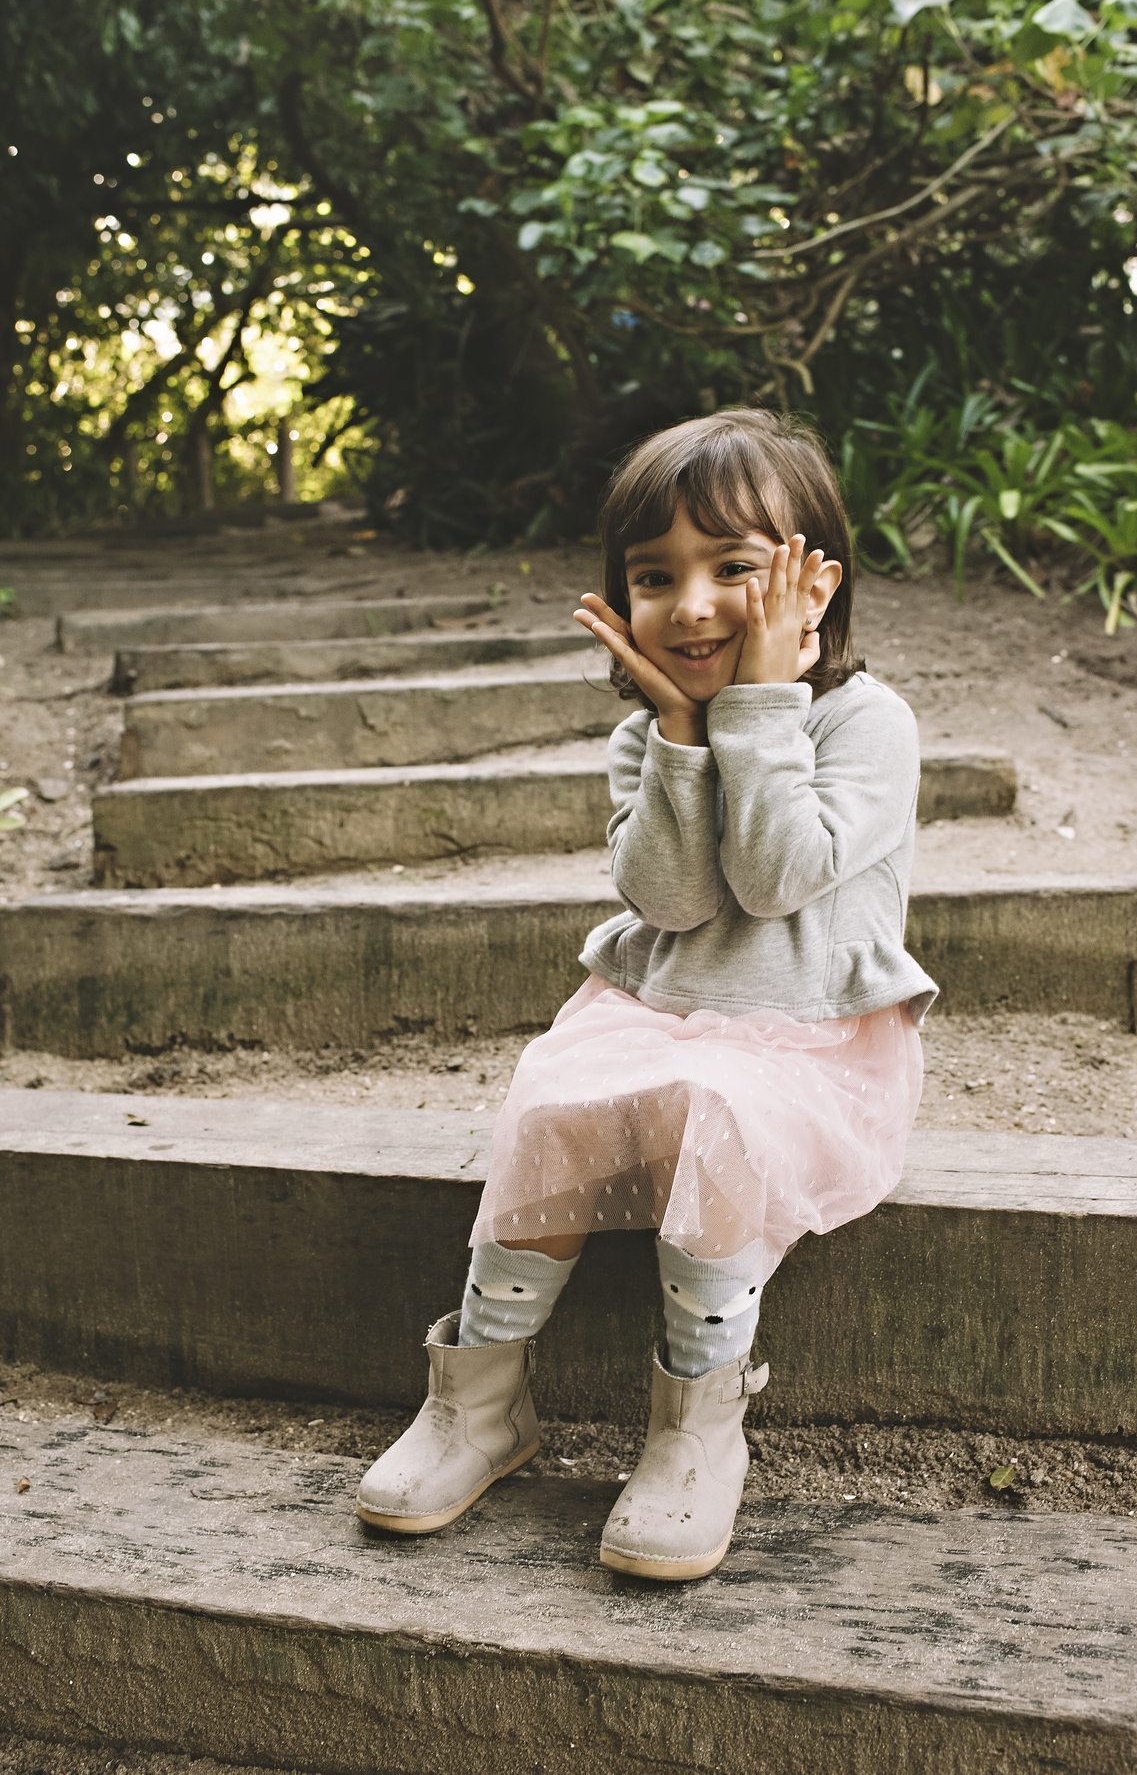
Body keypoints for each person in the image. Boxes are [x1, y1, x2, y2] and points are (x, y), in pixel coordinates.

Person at [356, 408, 936, 1580]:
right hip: (656, 1006)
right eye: (655, 577)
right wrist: (680, 737)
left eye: (735, 569)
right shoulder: (648, 740)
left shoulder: (866, 724)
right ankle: (480, 1402)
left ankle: (695, 1432)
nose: (694, 605)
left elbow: (776, 880)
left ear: (815, 582)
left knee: (713, 1106)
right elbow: (669, 903)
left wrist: (760, 710)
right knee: (546, 1096)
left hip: (811, 1041)